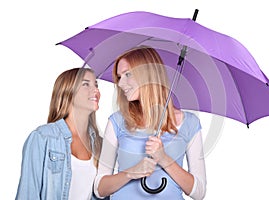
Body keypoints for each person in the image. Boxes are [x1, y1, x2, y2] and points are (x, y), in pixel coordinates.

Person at [94, 46, 206, 199]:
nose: (120, 84)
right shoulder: (117, 122)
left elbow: (199, 192)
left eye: (128, 74)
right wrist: (130, 173)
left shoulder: (190, 123)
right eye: (119, 77)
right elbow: (99, 189)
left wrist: (163, 158)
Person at [16, 67, 109, 200]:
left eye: (96, 85)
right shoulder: (43, 138)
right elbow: (28, 194)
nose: (96, 90)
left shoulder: (101, 145)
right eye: (85, 84)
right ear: (68, 92)